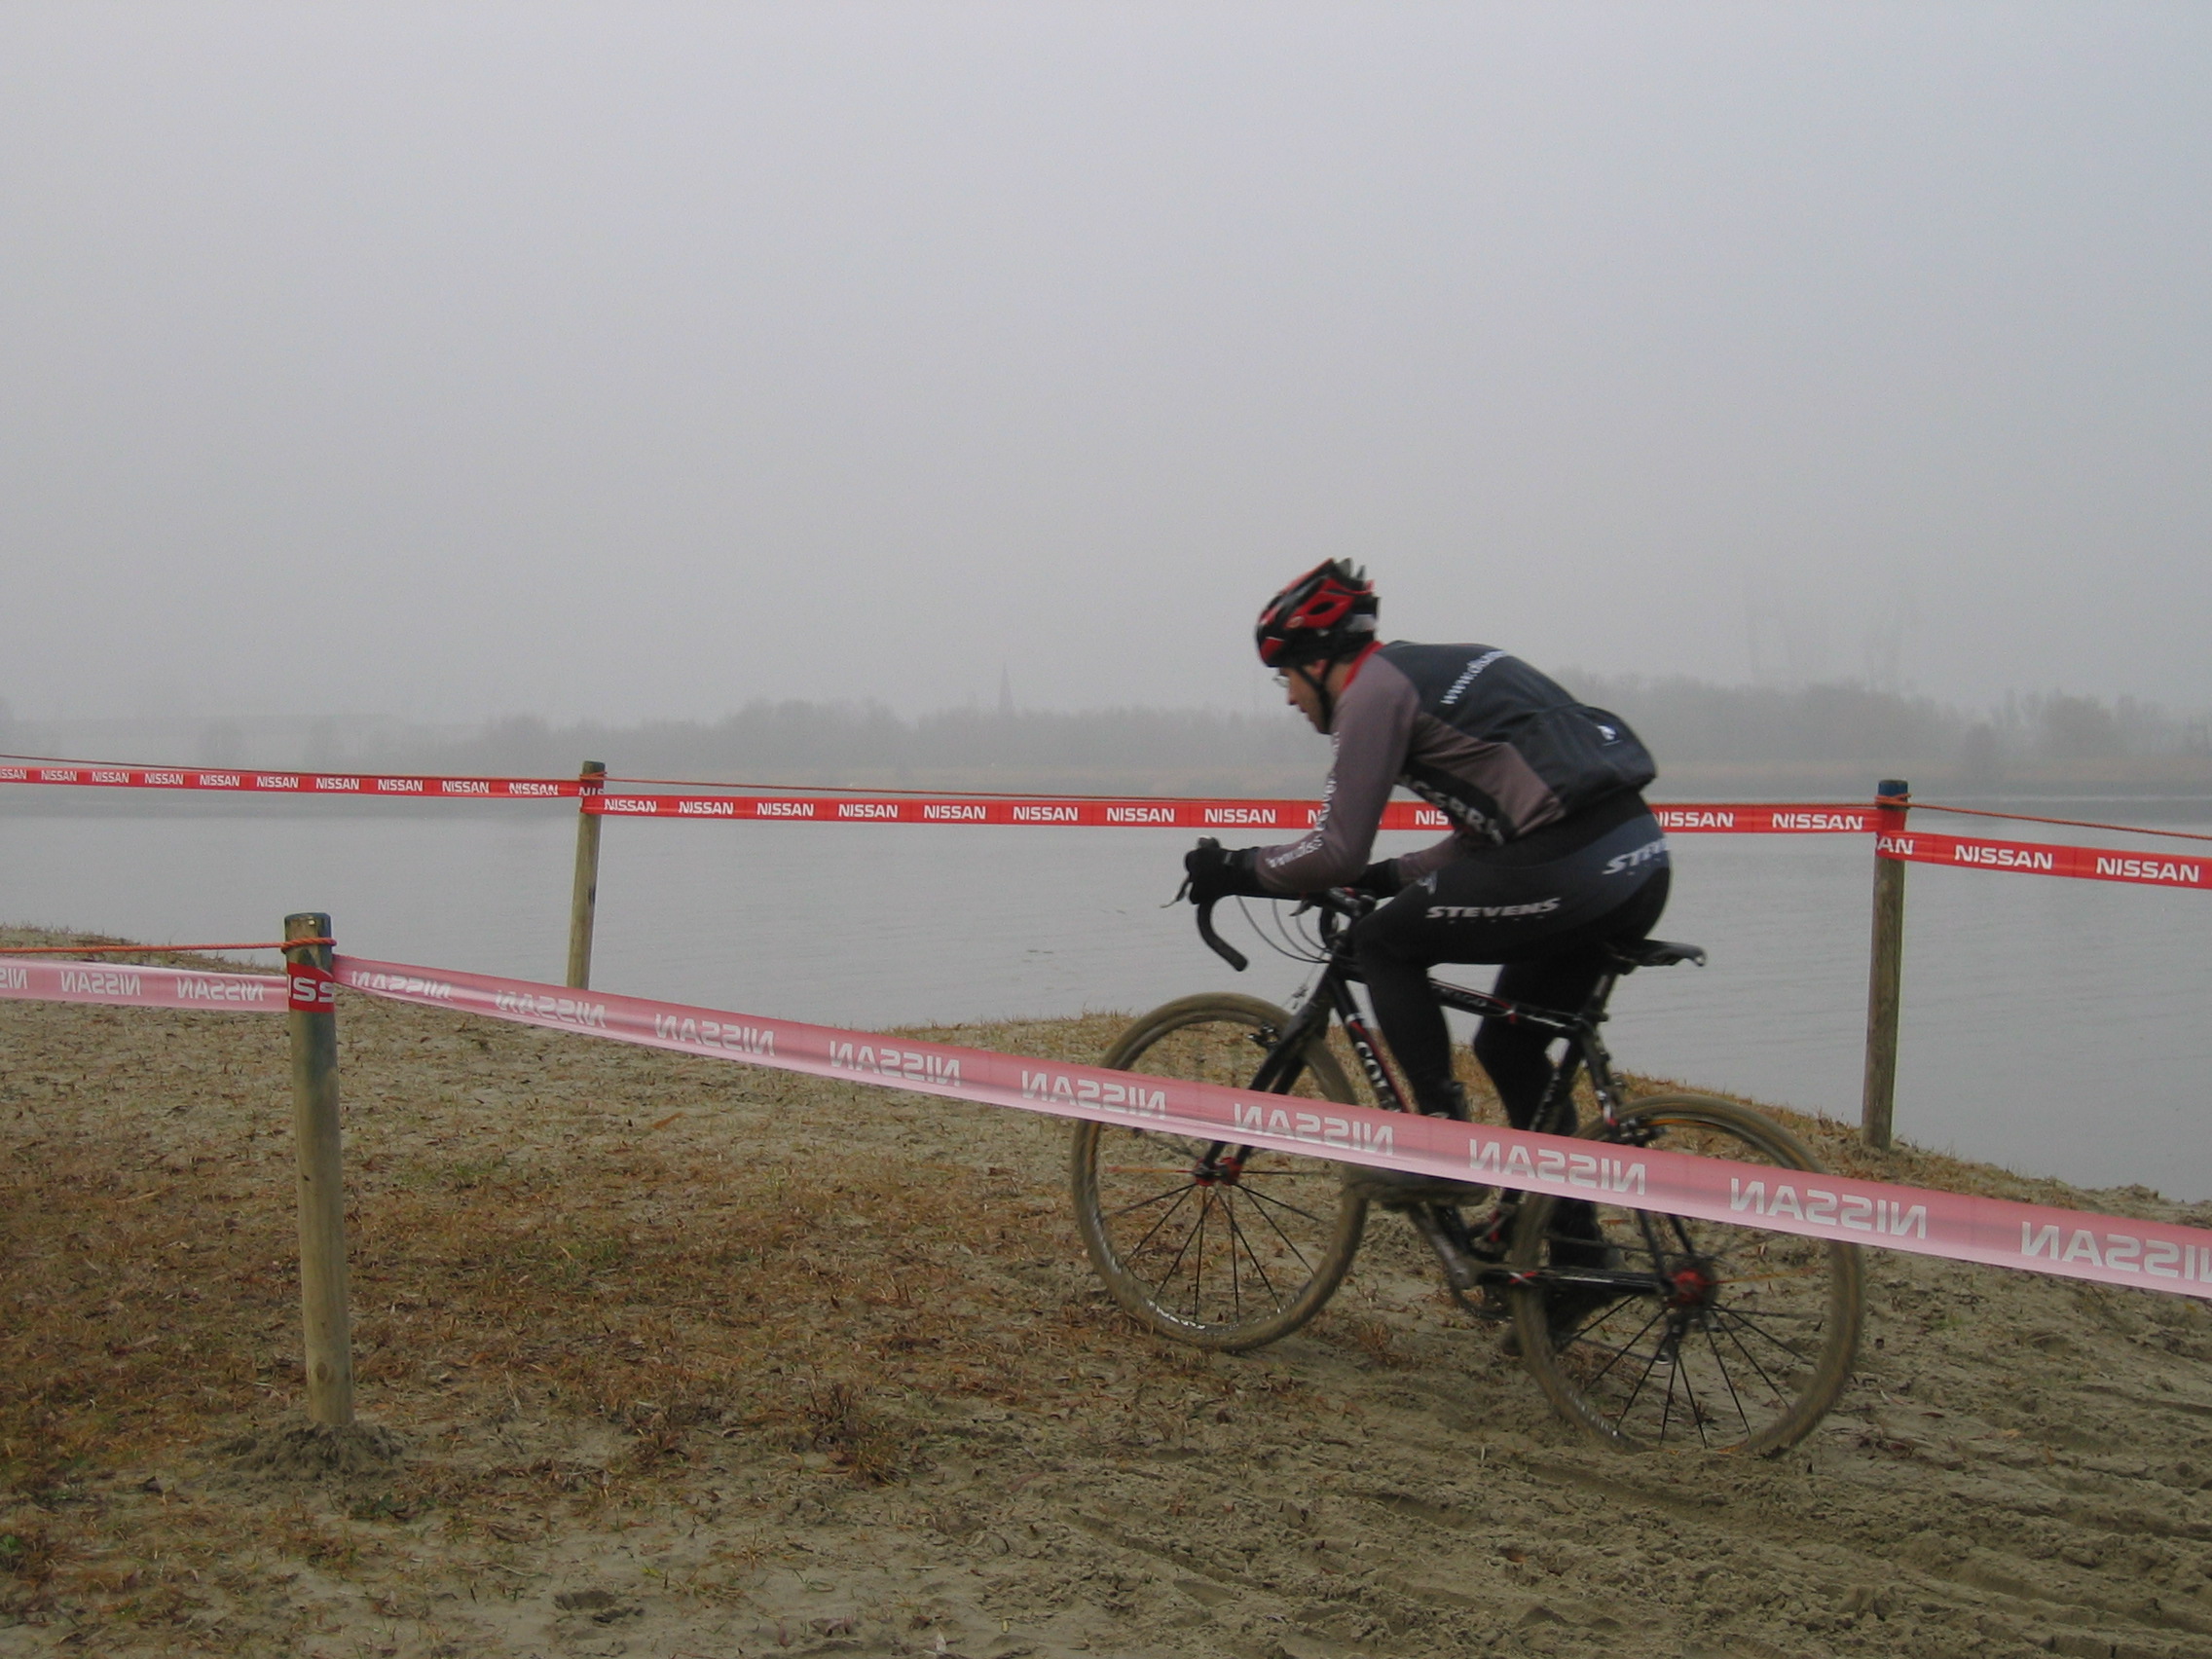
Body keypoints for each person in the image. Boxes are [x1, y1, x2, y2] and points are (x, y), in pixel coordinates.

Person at [1182, 560, 1670, 1205]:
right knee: (1509, 1048)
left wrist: (1234, 869)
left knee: (1381, 943)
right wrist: (1388, 877)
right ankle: (1570, 1248)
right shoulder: (1441, 668)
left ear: (1319, 662)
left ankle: (1445, 1153)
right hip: (1637, 859)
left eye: (1287, 677)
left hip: (1570, 863)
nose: (1290, 697)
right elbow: (1485, 839)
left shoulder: (1372, 694)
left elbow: (1333, 853)